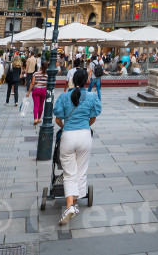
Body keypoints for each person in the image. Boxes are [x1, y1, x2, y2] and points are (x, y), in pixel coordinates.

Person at [55, 68, 101, 225]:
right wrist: (85, 126)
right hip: (84, 135)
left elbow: (57, 119)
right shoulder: (91, 96)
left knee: (69, 173)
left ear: (73, 80)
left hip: (68, 135)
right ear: (87, 81)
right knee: (81, 172)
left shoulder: (64, 97)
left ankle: (70, 206)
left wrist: (64, 126)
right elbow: (94, 117)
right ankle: (73, 205)